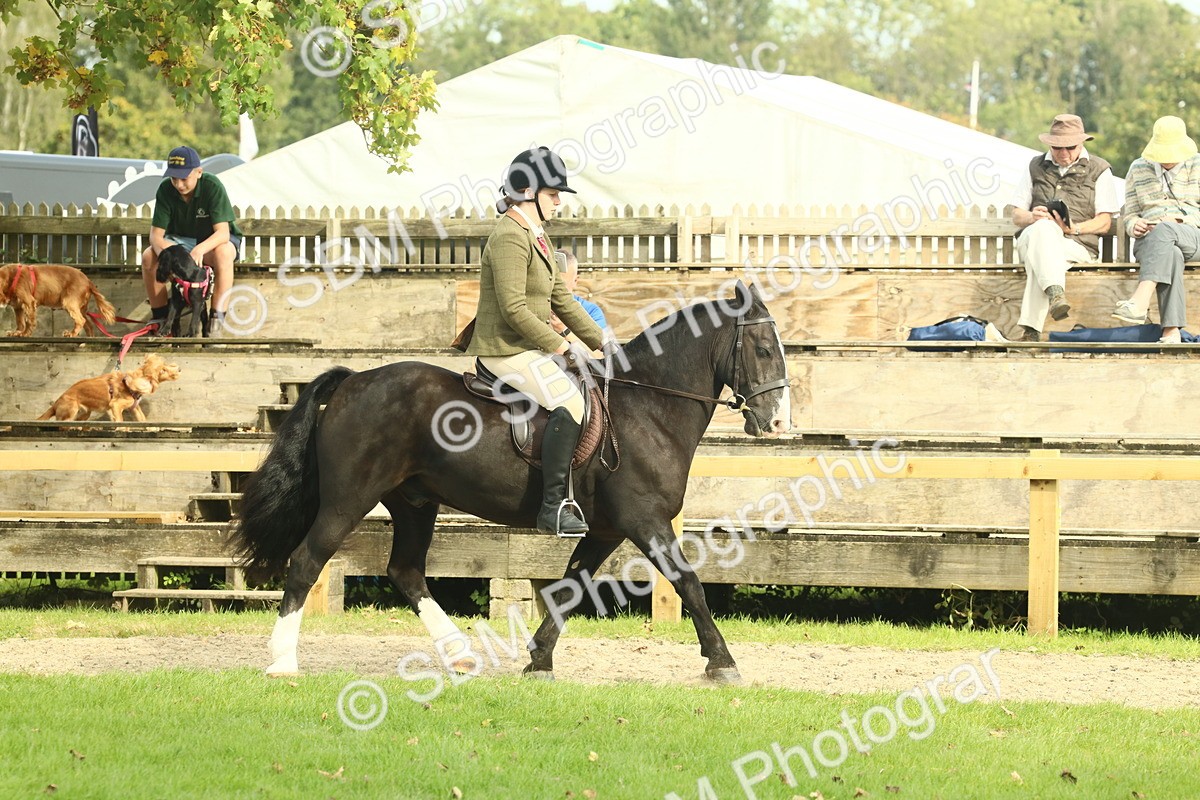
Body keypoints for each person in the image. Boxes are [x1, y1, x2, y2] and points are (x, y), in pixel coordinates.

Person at [466, 147, 606, 536]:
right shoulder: (510, 236)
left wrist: (602, 341)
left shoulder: (536, 235)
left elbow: (560, 298)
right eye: (553, 193)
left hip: (528, 346)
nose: (559, 201)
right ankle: (553, 507)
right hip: (505, 349)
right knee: (569, 400)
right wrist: (563, 347)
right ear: (527, 192)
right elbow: (513, 308)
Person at [1008, 114, 1120, 341]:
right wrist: (1032, 216)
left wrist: (1072, 229)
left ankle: (1031, 331)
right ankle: (1055, 294)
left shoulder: (1099, 169)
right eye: (1057, 147)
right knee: (1043, 229)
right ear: (1049, 143)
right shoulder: (1035, 165)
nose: (1064, 153)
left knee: (1039, 255)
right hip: (1033, 237)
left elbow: (1104, 221)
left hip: (1076, 246)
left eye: (1070, 147)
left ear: (1081, 143)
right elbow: (1016, 214)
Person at [1112, 116, 1200, 344]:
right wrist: (1134, 225)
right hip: (1150, 241)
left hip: (1193, 235)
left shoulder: (1197, 164)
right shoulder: (1138, 168)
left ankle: (1139, 302)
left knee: (1167, 230)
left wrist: (1178, 219)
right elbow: (1130, 214)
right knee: (1170, 253)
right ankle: (1171, 331)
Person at [141, 146, 243, 335]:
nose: (179, 185)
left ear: (199, 172)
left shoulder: (212, 186)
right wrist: (169, 258)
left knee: (224, 253)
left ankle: (215, 322)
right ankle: (161, 319)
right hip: (179, 242)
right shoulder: (165, 189)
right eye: (174, 178)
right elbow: (156, 236)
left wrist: (198, 250)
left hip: (212, 241)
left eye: (184, 178)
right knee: (149, 257)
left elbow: (223, 234)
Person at [550, 247, 608, 341]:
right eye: (551, 284)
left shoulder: (591, 311)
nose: (555, 290)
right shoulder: (536, 305)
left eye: (561, 285)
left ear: (575, 281)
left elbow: (599, 353)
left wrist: (563, 330)